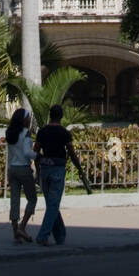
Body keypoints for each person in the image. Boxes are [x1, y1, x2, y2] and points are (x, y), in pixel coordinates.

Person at [32, 104, 88, 246]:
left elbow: (36, 152)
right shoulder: (64, 133)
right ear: (61, 116)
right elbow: (72, 153)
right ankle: (43, 235)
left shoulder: (42, 132)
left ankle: (60, 235)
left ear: (50, 115)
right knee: (53, 204)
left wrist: (37, 171)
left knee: (52, 204)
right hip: (57, 169)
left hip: (45, 168)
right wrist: (80, 169)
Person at [5, 108, 36, 242]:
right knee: (32, 198)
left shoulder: (9, 133)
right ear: (24, 120)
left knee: (15, 199)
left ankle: (15, 232)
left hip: (12, 169)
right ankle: (22, 227)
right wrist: (38, 155)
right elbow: (27, 152)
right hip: (23, 168)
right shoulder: (26, 133)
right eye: (28, 117)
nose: (30, 119)